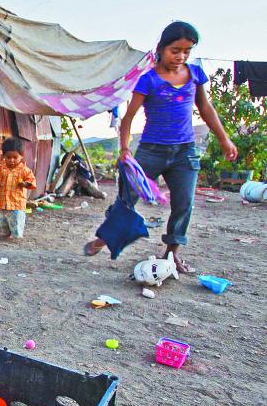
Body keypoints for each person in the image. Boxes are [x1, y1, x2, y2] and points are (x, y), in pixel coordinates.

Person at [84, 21, 238, 272]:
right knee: (126, 199)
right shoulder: (149, 80)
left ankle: (172, 252)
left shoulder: (195, 74)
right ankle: (107, 237)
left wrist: (224, 138)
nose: (181, 56)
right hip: (150, 151)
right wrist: (124, 150)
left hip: (184, 152)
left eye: (187, 51)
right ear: (161, 48)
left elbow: (206, 109)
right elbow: (128, 117)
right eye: (175, 50)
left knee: (184, 203)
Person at [0, 137, 37, 239]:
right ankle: (3, 235)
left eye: (15, 157)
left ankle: (16, 237)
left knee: (16, 225)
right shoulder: (0, 168)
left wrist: (25, 184)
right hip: (2, 204)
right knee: (1, 225)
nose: (11, 160)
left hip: (17, 205)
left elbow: (32, 181)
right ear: (3, 156)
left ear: (21, 156)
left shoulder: (25, 170)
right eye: (8, 157)